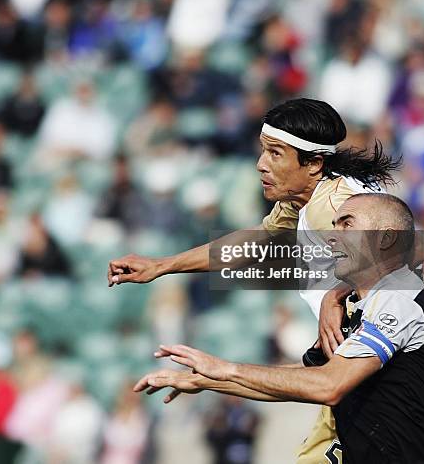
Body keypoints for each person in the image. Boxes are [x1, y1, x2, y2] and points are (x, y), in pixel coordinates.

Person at [108, 97, 405, 462]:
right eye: (263, 151)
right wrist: (163, 265)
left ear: (313, 163)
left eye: (276, 154)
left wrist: (337, 295)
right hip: (355, 370)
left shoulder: (336, 205)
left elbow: (396, 265)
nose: (261, 164)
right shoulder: (305, 198)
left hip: (381, 380)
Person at [135, 193, 424, 464]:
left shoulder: (400, 297)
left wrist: (226, 369)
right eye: (334, 224)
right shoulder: (360, 306)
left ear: (385, 237)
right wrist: (210, 381)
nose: (332, 235)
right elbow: (302, 379)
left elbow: (329, 386)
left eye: (347, 224)